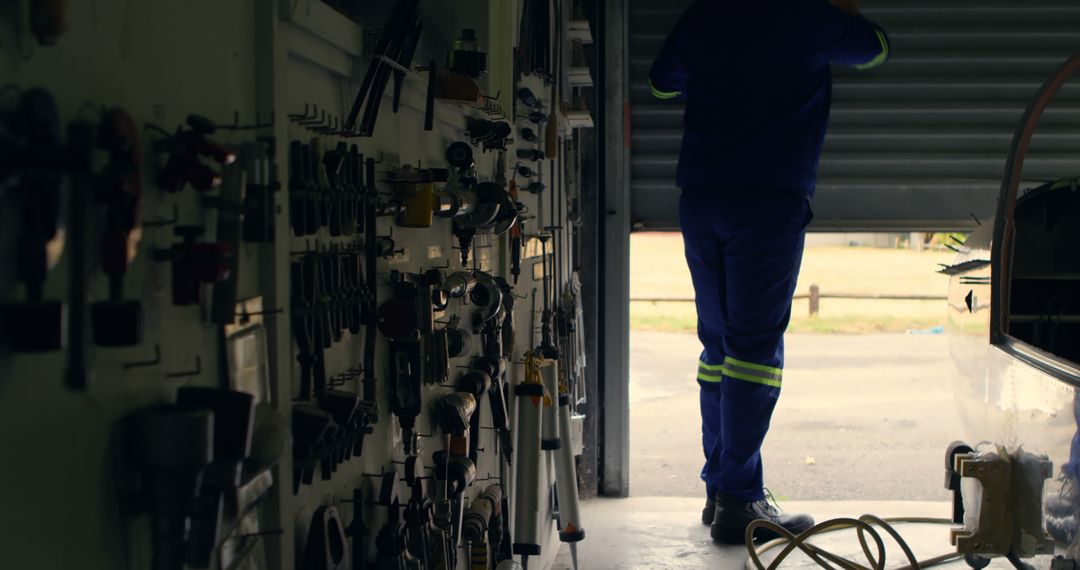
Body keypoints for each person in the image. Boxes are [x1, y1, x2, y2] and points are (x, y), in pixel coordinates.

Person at [649, 0, 891, 544]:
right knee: (754, 354)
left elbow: (662, 83)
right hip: (766, 203)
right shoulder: (806, 17)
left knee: (718, 349)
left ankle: (721, 486)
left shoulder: (705, 16)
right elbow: (876, 50)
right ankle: (739, 499)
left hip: (703, 198)